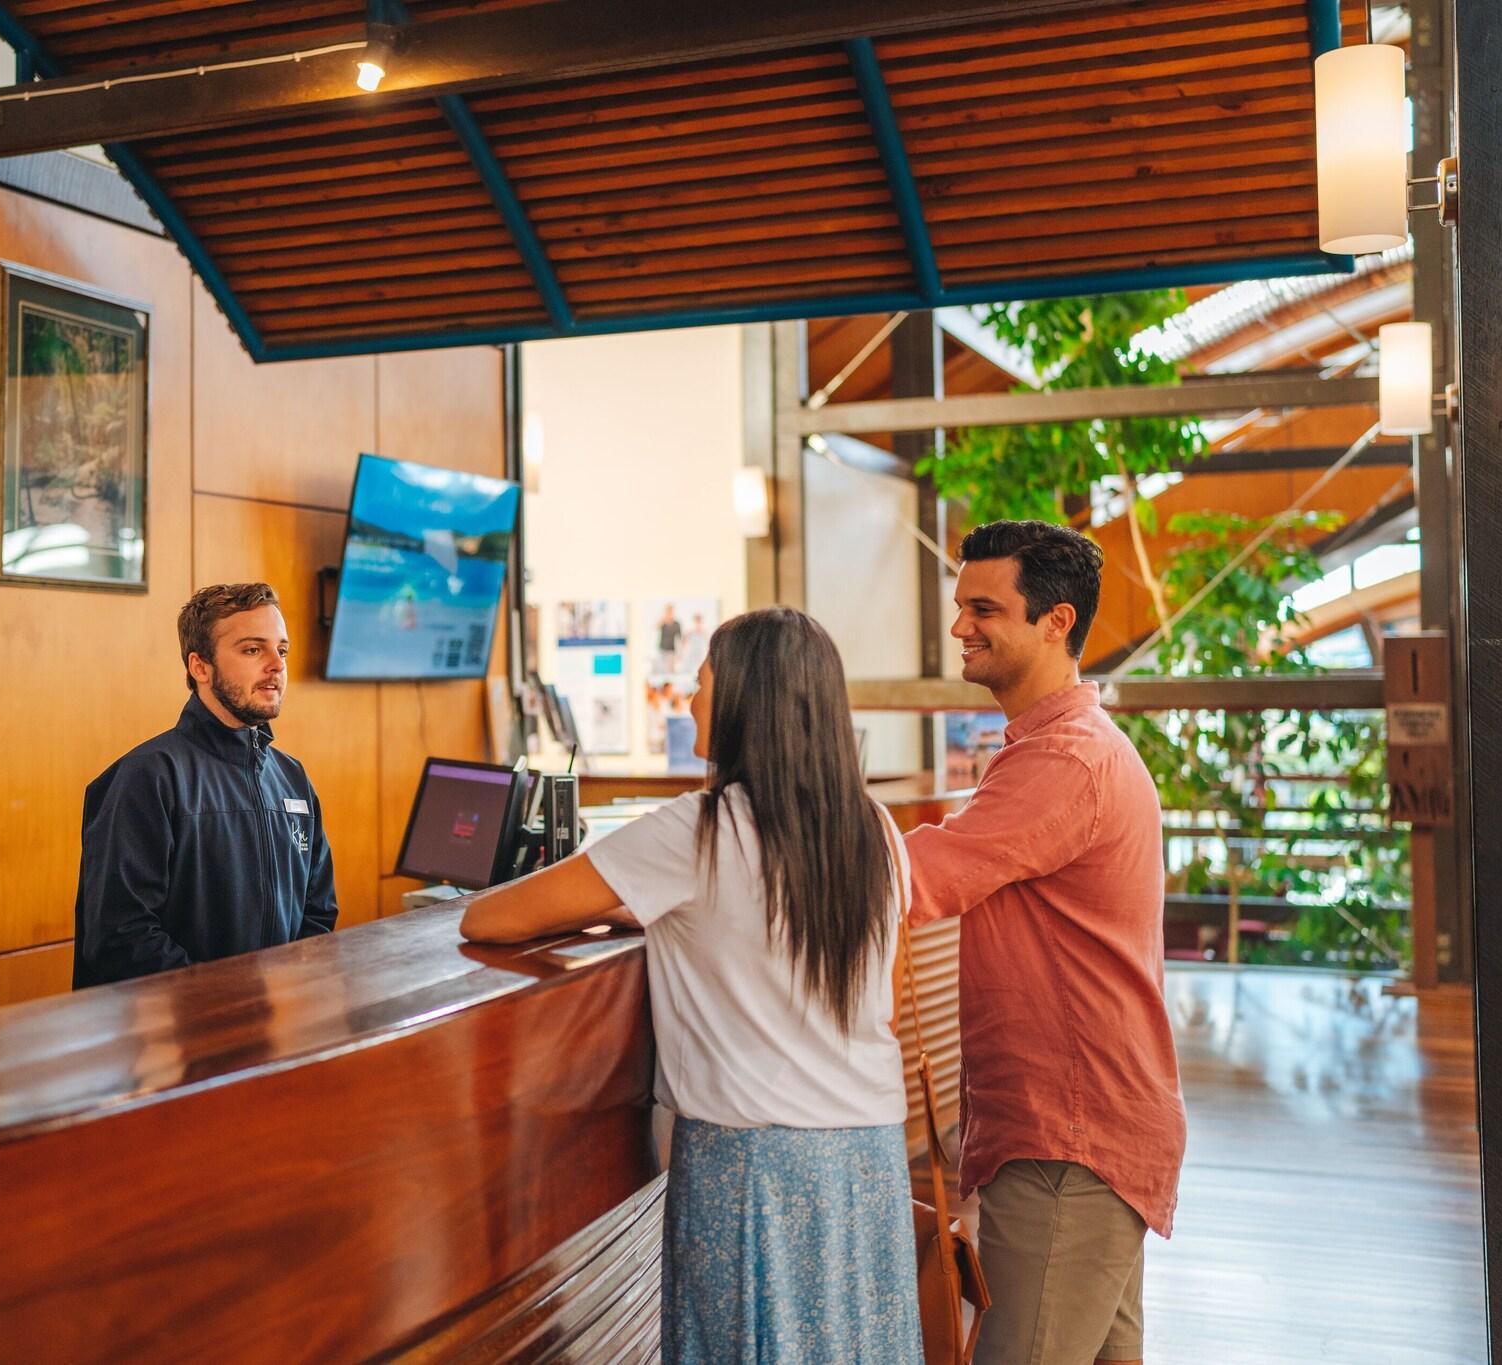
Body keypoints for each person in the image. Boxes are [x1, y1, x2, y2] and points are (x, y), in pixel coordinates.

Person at [462, 607, 921, 1363]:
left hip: (751, 1168)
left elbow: (491, 915)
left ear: (748, 699)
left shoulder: (697, 830)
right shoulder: (872, 829)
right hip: (866, 1156)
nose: (689, 700)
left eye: (701, 681)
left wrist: (636, 905)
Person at [902, 521, 1185, 1365]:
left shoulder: (1065, 759)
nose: (961, 628)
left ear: (1056, 621)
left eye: (984, 608)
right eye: (960, 607)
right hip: (1088, 1134)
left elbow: (920, 877)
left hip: (1069, 1144)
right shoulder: (1061, 748)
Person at [72, 582, 338, 987]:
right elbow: (121, 938)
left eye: (281, 650)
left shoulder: (293, 778)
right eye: (253, 650)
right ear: (201, 667)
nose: (276, 665)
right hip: (178, 1036)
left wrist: (287, 994)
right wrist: (227, 1003)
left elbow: (318, 913)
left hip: (281, 1030)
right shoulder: (147, 777)